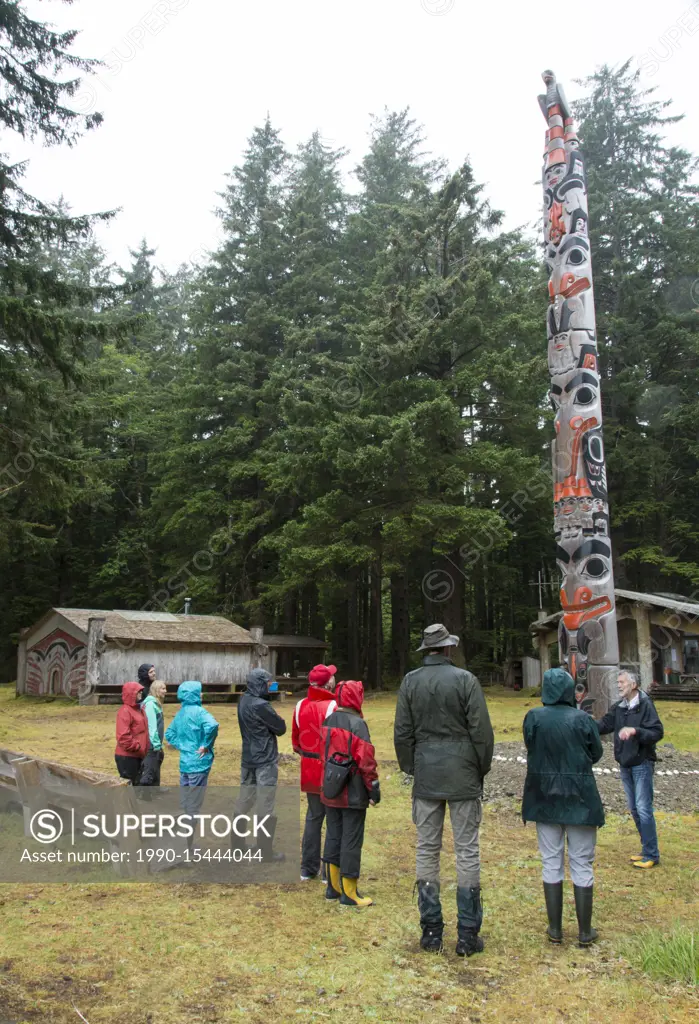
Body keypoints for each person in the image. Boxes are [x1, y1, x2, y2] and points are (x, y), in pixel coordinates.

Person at [394, 623, 494, 956]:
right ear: (448, 648)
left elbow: (402, 733)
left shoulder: (410, 682)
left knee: (427, 848)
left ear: (427, 650)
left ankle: (431, 931)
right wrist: (479, 767)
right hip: (463, 772)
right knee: (466, 849)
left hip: (427, 773)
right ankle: (467, 933)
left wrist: (412, 767)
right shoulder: (466, 680)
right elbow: (481, 732)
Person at [522, 668, 605, 948]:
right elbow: (596, 753)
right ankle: (584, 931)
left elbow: (530, 746)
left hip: (544, 797)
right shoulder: (583, 719)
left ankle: (555, 929)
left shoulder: (533, 717)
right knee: (582, 861)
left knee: (550, 860)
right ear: (570, 691)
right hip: (580, 798)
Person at [596, 670, 664, 869]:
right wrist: (580, 722)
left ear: (633, 685)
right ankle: (647, 850)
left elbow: (657, 732)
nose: (618, 686)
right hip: (625, 764)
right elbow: (603, 725)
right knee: (635, 809)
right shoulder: (619, 708)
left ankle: (652, 854)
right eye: (617, 682)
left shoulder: (645, 705)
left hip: (642, 763)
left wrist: (635, 731)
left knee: (644, 809)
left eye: (622, 682)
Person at [320, 680, 380, 908]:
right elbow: (366, 762)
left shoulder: (328, 720)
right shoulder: (358, 725)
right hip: (352, 792)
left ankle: (333, 888)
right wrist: (373, 789)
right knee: (351, 839)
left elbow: (322, 754)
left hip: (330, 788)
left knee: (334, 835)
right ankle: (350, 893)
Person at [292, 663, 338, 881]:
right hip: (329, 769)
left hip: (308, 768)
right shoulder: (333, 706)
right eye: (332, 677)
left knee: (313, 817)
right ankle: (328, 872)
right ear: (327, 682)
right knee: (333, 818)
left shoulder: (300, 705)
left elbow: (295, 741)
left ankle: (307, 868)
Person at [237, 668, 287, 860]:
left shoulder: (243, 700)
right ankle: (265, 851)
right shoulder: (260, 705)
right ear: (259, 683)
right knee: (265, 803)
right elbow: (280, 728)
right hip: (264, 759)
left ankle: (238, 846)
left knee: (243, 800)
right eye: (267, 682)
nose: (270, 686)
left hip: (248, 757)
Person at [165, 681, 219, 817]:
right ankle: (189, 831)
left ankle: (183, 824)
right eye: (199, 691)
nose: (201, 694)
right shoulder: (200, 713)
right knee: (194, 802)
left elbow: (169, 734)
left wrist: (182, 745)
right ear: (193, 694)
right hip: (199, 763)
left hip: (185, 763)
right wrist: (206, 745)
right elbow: (212, 725)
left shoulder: (180, 713)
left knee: (185, 798)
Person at [114, 681, 149, 783]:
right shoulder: (125, 711)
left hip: (138, 755)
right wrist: (137, 747)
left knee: (136, 786)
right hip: (128, 756)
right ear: (131, 694)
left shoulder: (139, 709)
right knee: (129, 787)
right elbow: (123, 737)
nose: (141, 694)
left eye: (141, 692)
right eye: (138, 692)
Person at [140, 680, 167, 787]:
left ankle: (154, 792)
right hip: (151, 745)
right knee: (149, 770)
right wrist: (156, 744)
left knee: (155, 767)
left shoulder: (156, 704)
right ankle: (143, 795)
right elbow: (152, 726)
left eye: (165, 688)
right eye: (163, 688)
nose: (165, 691)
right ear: (156, 690)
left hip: (156, 744)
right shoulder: (150, 704)